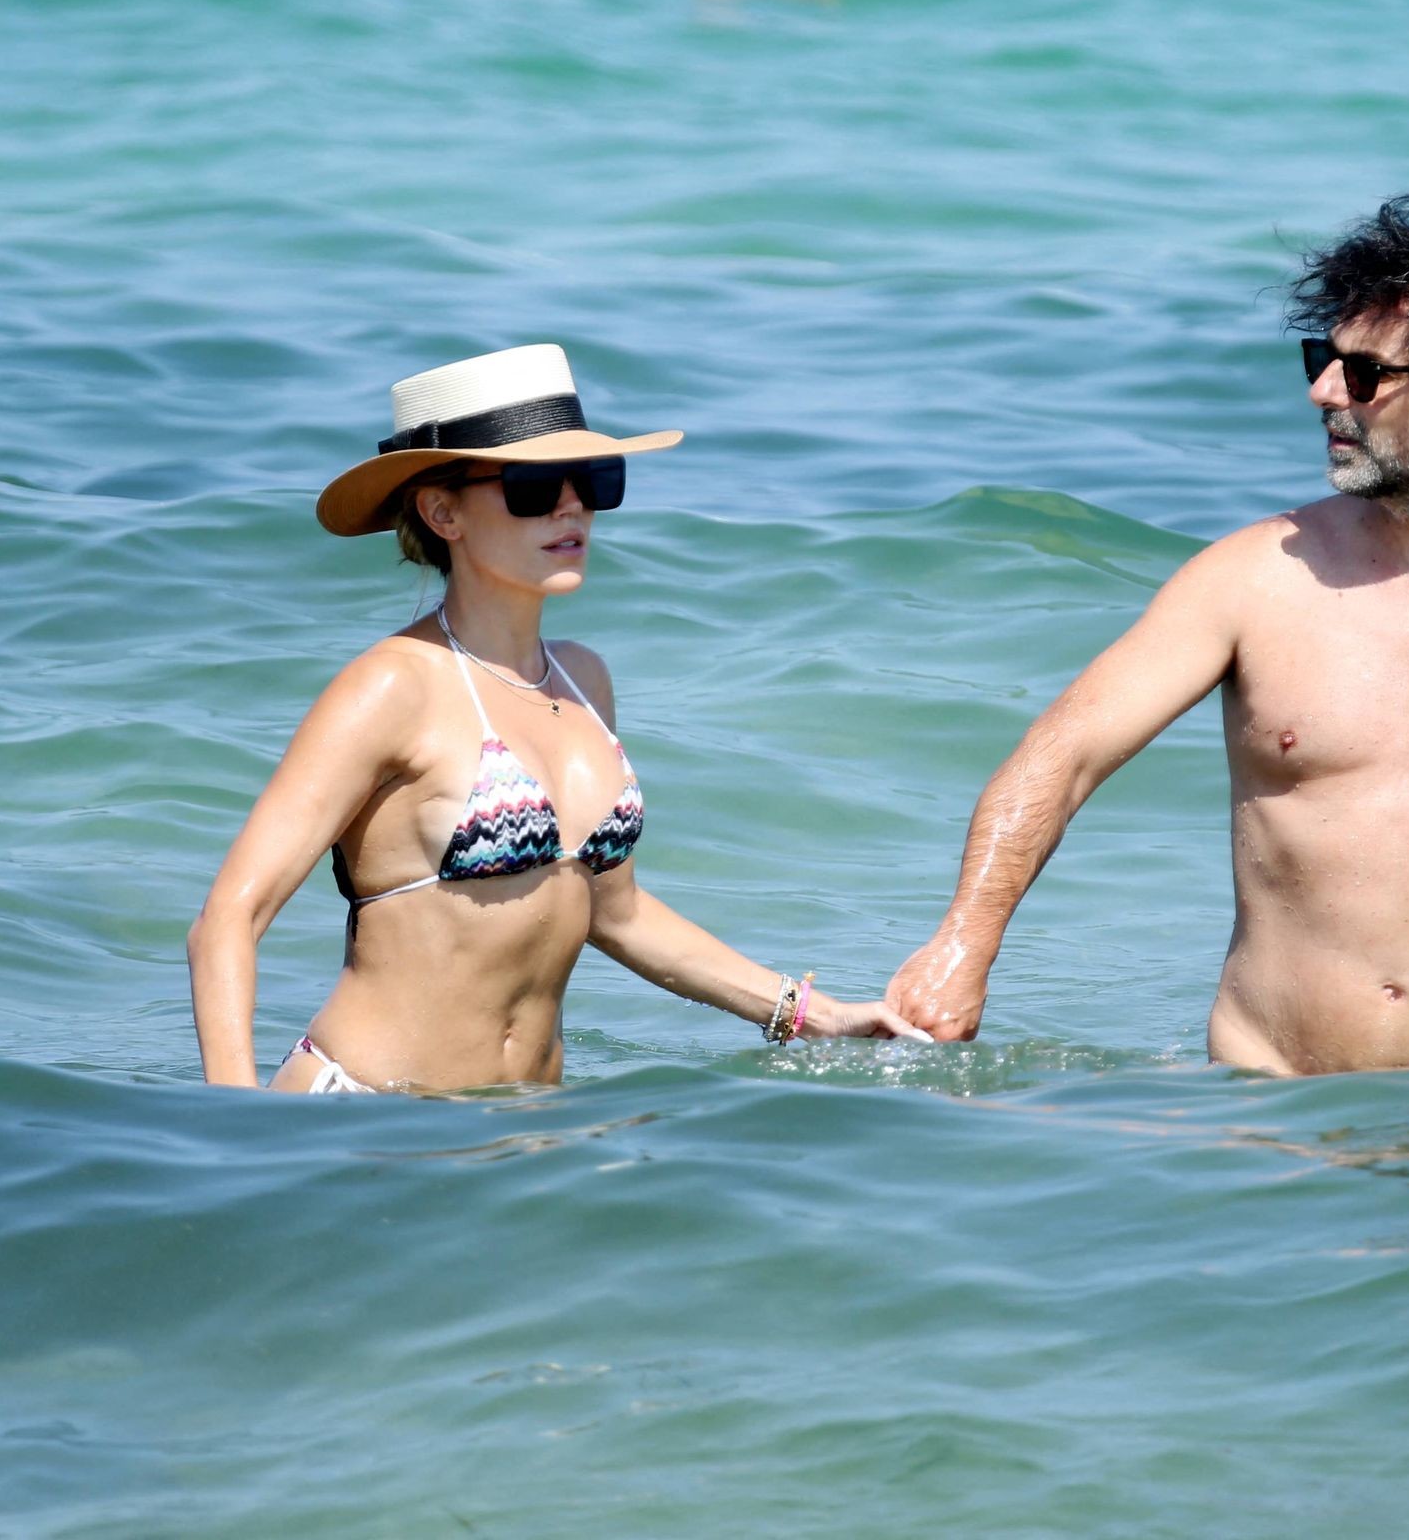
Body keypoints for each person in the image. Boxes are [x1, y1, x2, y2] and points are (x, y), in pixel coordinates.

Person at [887, 196, 1409, 1079]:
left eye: (1366, 374)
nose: (1324, 392)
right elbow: (1062, 754)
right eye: (1323, 359)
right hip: (1273, 1108)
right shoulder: (1251, 579)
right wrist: (962, 945)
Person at [190, 344, 925, 1092]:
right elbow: (227, 921)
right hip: (367, 1117)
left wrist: (812, 1015)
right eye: (535, 486)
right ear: (442, 512)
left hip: (531, 1124)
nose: (572, 506)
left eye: (594, 479)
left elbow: (616, 912)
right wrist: (239, 1129)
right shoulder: (392, 686)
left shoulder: (583, 681)